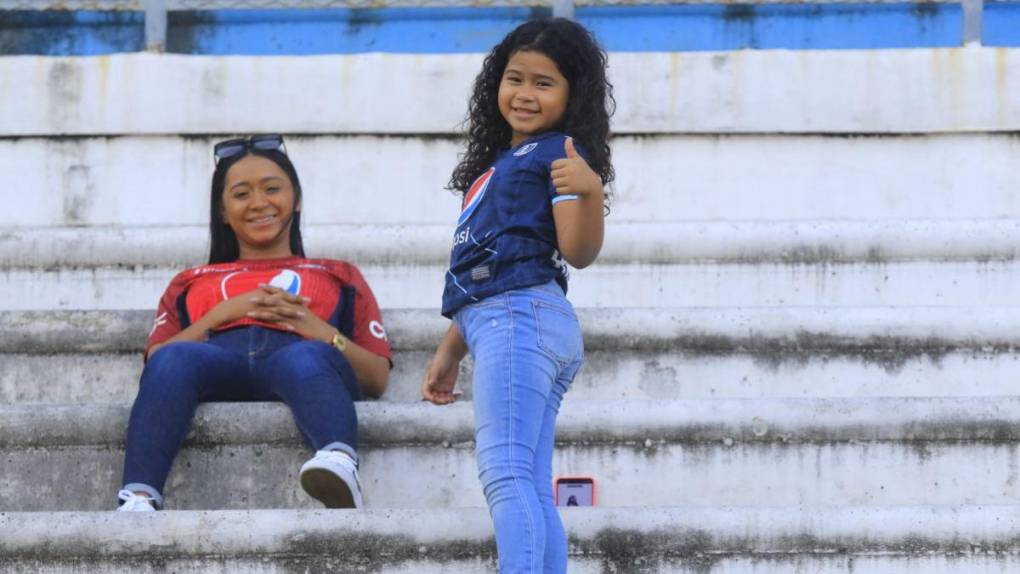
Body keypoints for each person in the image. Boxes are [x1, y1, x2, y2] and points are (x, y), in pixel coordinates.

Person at [421, 18, 614, 573]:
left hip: (521, 319)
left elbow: (576, 250)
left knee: (505, 473)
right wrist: (451, 349)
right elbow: (493, 264)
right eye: (515, 78)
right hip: (514, 316)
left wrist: (591, 188)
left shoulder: (559, 154)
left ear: (573, 94)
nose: (525, 94)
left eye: (544, 83)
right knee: (527, 478)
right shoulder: (503, 163)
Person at [116, 135, 392, 512]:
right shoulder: (190, 279)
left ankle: (338, 463)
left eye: (273, 189)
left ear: (296, 199)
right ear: (222, 211)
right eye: (242, 193)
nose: (259, 203)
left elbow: (376, 377)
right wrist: (224, 313)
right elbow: (158, 363)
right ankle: (139, 496)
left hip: (300, 357)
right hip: (215, 358)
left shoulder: (338, 273)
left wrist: (319, 331)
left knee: (305, 358)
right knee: (174, 361)